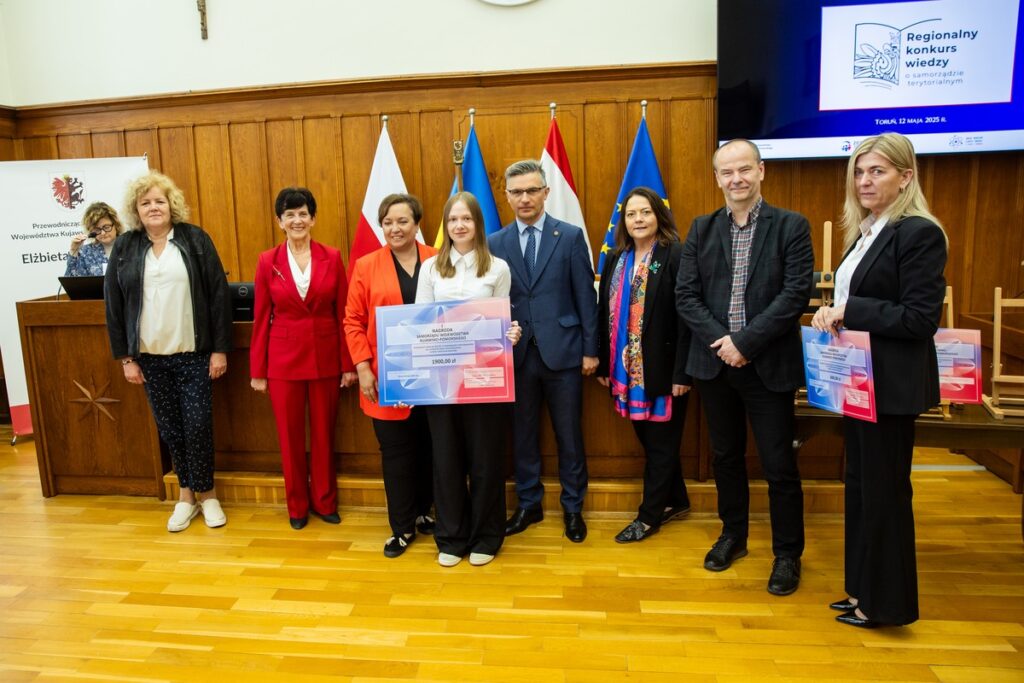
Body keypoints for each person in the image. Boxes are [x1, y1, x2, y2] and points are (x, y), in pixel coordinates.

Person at [811, 133, 947, 628]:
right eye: (860, 172)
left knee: (886, 493)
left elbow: (919, 318)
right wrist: (833, 313)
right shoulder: (867, 231)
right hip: (860, 384)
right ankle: (861, 588)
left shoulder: (918, 233)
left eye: (878, 172)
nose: (865, 181)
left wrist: (851, 310)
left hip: (890, 389)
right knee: (861, 488)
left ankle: (887, 605)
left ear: (905, 177)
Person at [675, 139, 813, 595]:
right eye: (727, 172)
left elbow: (794, 295)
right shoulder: (701, 228)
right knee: (726, 458)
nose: (736, 179)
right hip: (716, 365)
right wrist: (724, 344)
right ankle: (733, 535)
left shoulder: (792, 226)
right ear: (717, 177)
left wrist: (745, 343)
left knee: (778, 465)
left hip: (767, 365)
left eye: (744, 170)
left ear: (761, 171)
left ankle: (787, 554)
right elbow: (686, 296)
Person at [104, 171, 232, 532]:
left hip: (193, 354)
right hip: (149, 359)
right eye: (145, 203)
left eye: (159, 201)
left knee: (197, 426)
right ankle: (186, 496)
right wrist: (127, 358)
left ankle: (208, 495)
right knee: (171, 429)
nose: (153, 207)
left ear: (171, 204)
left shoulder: (195, 240)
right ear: (136, 210)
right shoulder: (126, 248)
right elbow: (113, 305)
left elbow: (218, 296)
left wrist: (219, 350)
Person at [487, 159, 598, 543]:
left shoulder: (568, 236)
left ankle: (572, 508)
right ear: (506, 196)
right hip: (515, 356)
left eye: (532, 190)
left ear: (546, 192)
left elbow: (586, 296)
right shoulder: (494, 242)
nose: (525, 198)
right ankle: (529, 504)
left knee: (569, 434)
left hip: (564, 353)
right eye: (516, 192)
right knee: (523, 434)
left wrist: (590, 350)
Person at [415, 191, 521, 568]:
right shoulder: (430, 269)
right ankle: (451, 536)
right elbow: (420, 324)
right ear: (445, 225)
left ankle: (487, 536)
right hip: (442, 382)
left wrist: (511, 334)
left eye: (467, 219)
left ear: (478, 224)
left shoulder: (498, 268)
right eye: (453, 219)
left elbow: (503, 319)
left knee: (485, 459)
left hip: (485, 378)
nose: (460, 225)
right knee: (446, 460)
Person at [250, 187, 357, 530]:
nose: (297, 220)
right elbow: (261, 317)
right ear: (279, 221)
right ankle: (296, 506)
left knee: (324, 435)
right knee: (290, 436)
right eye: (289, 214)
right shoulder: (268, 261)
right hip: (282, 362)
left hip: (326, 359)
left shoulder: (332, 255)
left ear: (313, 218)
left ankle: (325, 502)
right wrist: (258, 370)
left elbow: (343, 313)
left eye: (303, 213)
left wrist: (348, 364)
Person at [597, 187, 692, 543]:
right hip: (626, 370)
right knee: (653, 443)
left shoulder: (675, 255)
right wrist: (607, 366)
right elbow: (601, 313)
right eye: (632, 214)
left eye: (645, 213)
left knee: (662, 445)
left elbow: (687, 318)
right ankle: (676, 500)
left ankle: (649, 517)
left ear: (659, 216)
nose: (638, 219)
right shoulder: (616, 258)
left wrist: (682, 372)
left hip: (664, 370)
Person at [344, 193, 437, 557]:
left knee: (432, 448)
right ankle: (401, 527)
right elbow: (353, 320)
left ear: (417, 224)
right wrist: (363, 368)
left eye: (402, 221)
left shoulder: (437, 258)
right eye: (387, 222)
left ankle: (425, 512)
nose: (394, 228)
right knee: (397, 454)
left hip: (434, 376)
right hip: (386, 378)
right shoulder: (367, 265)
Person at [65, 201, 125, 276]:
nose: (103, 233)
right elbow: (71, 282)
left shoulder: (130, 247)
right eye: (97, 230)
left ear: (116, 224)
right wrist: (74, 251)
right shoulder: (86, 252)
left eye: (106, 227)